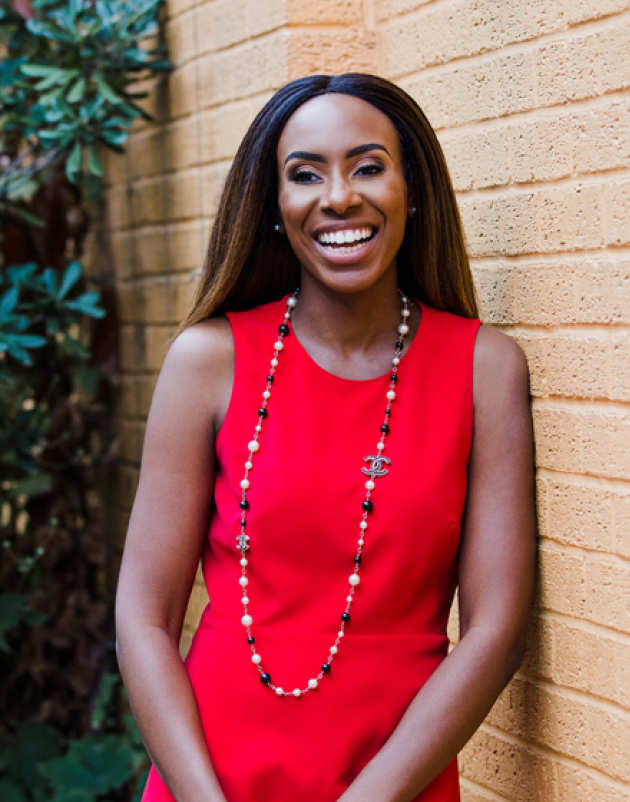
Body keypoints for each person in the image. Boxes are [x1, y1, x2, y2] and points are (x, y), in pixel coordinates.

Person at [115, 73, 536, 802]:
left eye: (368, 167)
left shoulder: (484, 369)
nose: (338, 197)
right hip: (209, 778)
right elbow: (143, 618)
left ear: (413, 190)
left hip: (395, 781)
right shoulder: (207, 361)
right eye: (305, 175)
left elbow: (497, 629)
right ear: (274, 206)